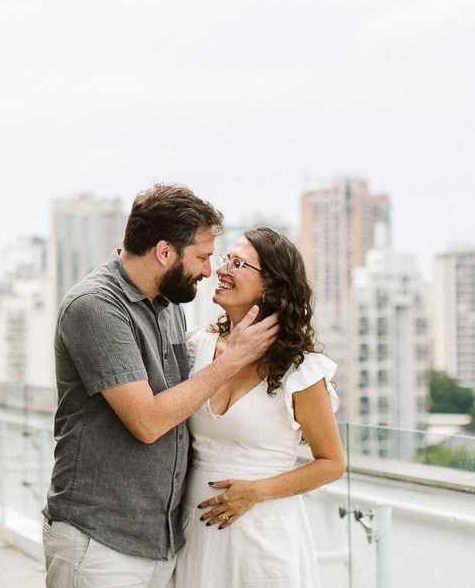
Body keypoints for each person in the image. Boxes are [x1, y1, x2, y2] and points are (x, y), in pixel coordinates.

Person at [44, 184, 278, 588]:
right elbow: (148, 422)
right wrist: (233, 359)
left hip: (162, 543)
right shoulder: (95, 307)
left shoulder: (168, 307)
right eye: (202, 257)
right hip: (99, 542)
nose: (209, 271)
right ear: (165, 252)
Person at [173, 226, 345, 588]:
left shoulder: (300, 371)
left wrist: (256, 491)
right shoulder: (196, 348)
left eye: (238, 263)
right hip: (199, 536)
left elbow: (331, 463)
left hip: (266, 540)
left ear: (269, 286)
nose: (221, 269)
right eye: (226, 258)